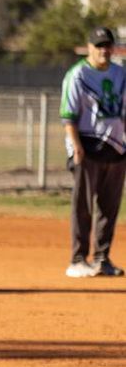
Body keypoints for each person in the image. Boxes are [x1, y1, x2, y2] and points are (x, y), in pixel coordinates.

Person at [60, 26, 126, 278]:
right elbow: (68, 115)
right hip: (87, 147)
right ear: (89, 47)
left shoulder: (121, 74)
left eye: (107, 45)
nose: (103, 50)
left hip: (116, 147)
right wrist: (75, 146)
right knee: (83, 207)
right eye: (98, 46)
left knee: (109, 208)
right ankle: (78, 259)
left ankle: (102, 258)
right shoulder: (78, 75)